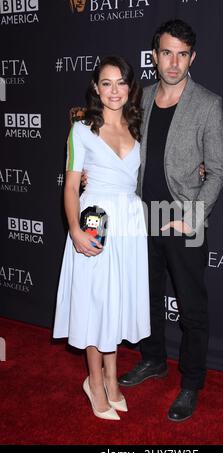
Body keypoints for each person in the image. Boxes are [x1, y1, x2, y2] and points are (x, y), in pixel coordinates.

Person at [82, 19, 223, 422]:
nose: (174, 62)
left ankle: (191, 383)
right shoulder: (138, 99)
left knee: (193, 307)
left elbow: (216, 170)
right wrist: (93, 170)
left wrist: (193, 217)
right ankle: (153, 360)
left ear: (192, 58)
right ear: (155, 56)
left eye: (182, 54)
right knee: (145, 298)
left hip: (183, 220)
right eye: (167, 52)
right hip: (138, 218)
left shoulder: (208, 104)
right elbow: (115, 145)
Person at [53, 56, 150, 421]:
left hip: (128, 224)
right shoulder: (81, 129)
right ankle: (94, 382)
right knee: (95, 303)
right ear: (96, 88)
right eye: (106, 83)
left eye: (120, 82)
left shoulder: (138, 127)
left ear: (130, 87)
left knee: (115, 303)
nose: (114, 90)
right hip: (95, 224)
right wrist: (75, 230)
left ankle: (113, 379)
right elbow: (71, 186)